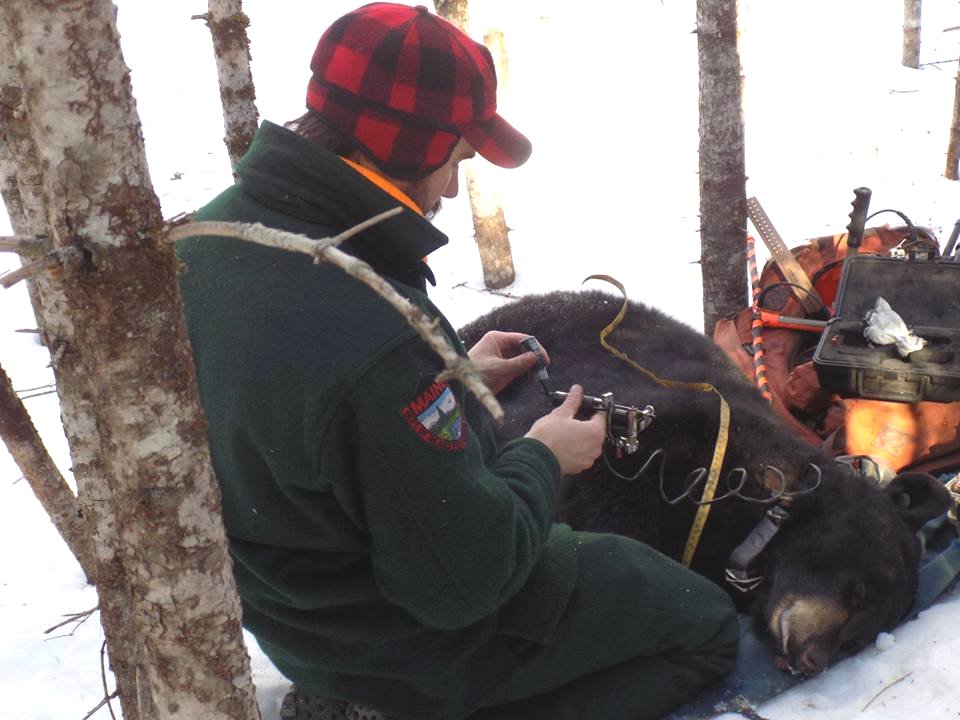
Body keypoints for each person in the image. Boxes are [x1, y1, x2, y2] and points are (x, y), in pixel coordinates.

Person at [176, 4, 738, 719]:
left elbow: (309, 419)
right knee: (701, 621)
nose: (449, 187)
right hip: (400, 646)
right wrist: (543, 456)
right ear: (414, 146)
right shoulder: (367, 323)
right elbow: (462, 583)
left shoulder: (212, 236)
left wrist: (451, 379)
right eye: (456, 160)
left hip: (300, 616)